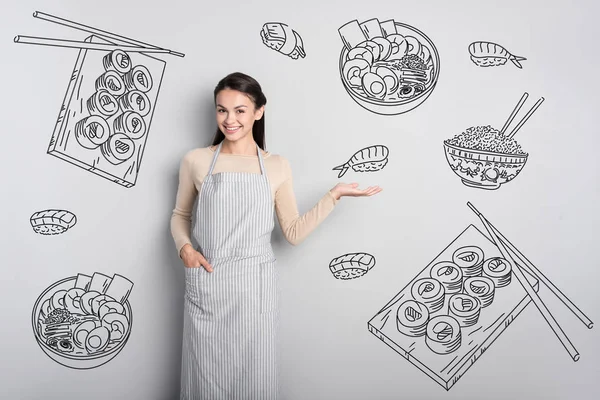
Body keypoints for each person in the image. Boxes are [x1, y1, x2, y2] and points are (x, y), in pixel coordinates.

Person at [170, 71, 382, 399]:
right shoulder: (196, 160)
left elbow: (293, 232)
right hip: (209, 282)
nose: (230, 119)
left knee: (256, 377)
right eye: (222, 109)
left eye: (240, 110)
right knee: (205, 377)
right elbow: (180, 216)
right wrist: (185, 248)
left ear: (259, 111)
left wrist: (333, 196)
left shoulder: (277, 166)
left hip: (256, 287)